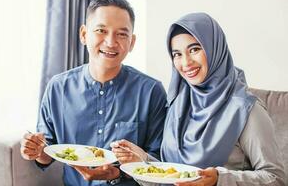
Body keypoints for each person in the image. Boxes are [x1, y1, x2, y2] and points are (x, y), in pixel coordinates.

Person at [111, 13, 285, 186]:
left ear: (214, 49)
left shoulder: (245, 109)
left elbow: (276, 178)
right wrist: (141, 161)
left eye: (194, 49)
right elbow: (176, 175)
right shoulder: (179, 104)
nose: (186, 62)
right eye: (177, 54)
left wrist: (220, 179)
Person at [20, 0, 167, 186]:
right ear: (83, 34)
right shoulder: (58, 88)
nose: (111, 42)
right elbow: (47, 153)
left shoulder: (151, 91)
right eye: (101, 30)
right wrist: (36, 150)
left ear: (132, 42)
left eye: (122, 34)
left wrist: (118, 174)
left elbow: (158, 161)